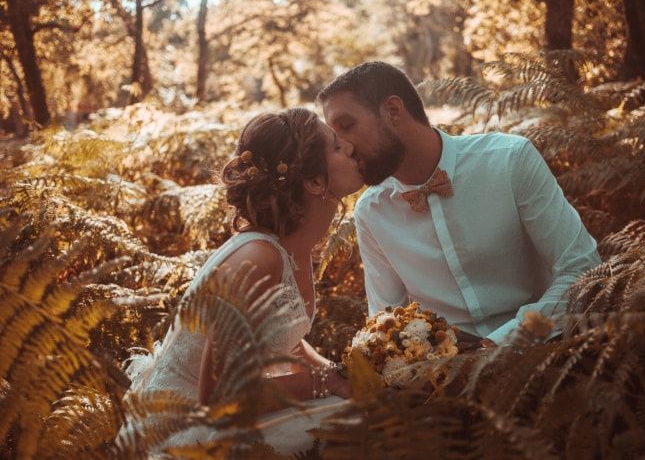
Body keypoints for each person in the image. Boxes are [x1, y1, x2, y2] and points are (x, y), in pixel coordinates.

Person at [118, 107, 363, 453]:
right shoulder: (257, 259)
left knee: (371, 411)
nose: (351, 149)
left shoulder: (296, 245)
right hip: (187, 431)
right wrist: (325, 382)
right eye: (337, 148)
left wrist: (346, 373)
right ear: (314, 182)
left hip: (222, 416)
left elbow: (283, 336)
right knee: (360, 429)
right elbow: (218, 396)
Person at [318, 61, 601, 345]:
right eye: (335, 136)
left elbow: (580, 267)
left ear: (393, 111)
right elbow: (384, 321)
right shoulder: (371, 211)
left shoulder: (509, 160)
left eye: (346, 126)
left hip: (544, 352)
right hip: (442, 378)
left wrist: (499, 343)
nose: (344, 146)